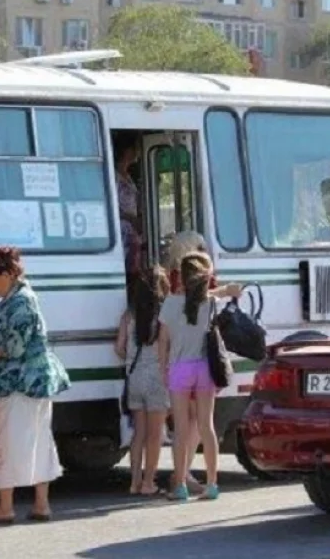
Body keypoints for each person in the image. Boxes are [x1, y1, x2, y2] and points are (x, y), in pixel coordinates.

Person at [0, 246, 70, 524]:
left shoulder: (19, 303)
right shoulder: (20, 298)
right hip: (35, 382)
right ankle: (41, 504)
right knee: (38, 441)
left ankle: (5, 507)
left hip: (17, 383)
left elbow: (13, 348)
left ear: (7, 274)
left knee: (8, 442)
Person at [160, 251, 241, 502]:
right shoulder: (209, 303)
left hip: (179, 369)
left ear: (180, 278)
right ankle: (213, 484)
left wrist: (164, 370)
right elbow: (207, 296)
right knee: (207, 426)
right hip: (204, 367)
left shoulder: (170, 303)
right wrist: (224, 290)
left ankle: (181, 485)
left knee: (181, 431)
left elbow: (162, 341)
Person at [114, 265, 170, 496]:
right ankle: (149, 482)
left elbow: (118, 348)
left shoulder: (128, 316)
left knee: (139, 433)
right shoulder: (164, 318)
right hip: (157, 379)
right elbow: (167, 351)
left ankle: (134, 481)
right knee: (155, 435)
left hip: (134, 378)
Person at [114, 136, 144, 304]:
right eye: (134, 149)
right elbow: (112, 203)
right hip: (121, 228)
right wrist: (130, 218)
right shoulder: (114, 176)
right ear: (126, 151)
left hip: (131, 229)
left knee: (134, 268)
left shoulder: (128, 175)